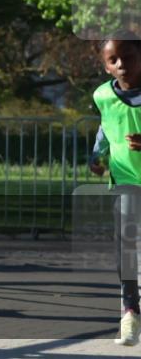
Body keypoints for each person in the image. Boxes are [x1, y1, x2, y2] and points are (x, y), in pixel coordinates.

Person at [88, 31, 141, 346]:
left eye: (129, 57)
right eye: (113, 60)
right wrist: (97, 156)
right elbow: (105, 128)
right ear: (106, 66)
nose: (122, 64)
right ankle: (130, 313)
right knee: (125, 248)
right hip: (125, 181)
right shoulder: (103, 96)